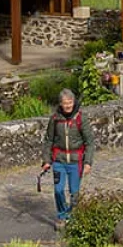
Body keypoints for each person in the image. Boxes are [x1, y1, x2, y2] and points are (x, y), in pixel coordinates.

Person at [42, 89, 94, 225]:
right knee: (58, 190)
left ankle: (73, 217)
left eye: (70, 103)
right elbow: (48, 140)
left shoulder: (81, 118)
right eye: (65, 103)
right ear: (60, 104)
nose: (68, 106)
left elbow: (89, 142)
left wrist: (88, 162)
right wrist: (46, 160)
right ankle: (62, 216)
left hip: (76, 162)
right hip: (59, 160)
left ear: (74, 102)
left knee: (74, 193)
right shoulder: (54, 119)